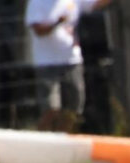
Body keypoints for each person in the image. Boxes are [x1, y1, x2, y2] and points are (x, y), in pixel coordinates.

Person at [25, 0, 113, 132]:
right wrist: (57, 22)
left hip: (72, 61)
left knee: (74, 109)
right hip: (47, 62)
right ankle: (42, 141)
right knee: (51, 110)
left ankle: (63, 139)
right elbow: (39, 31)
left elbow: (96, 3)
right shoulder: (37, 3)